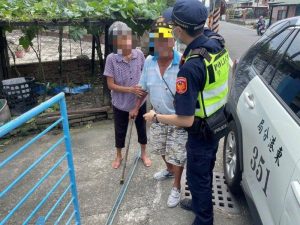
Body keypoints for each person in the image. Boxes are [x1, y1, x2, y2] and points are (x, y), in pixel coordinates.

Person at [143, 0, 230, 224]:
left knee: (197, 177)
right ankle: (200, 202)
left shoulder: (190, 67)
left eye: (172, 26)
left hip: (200, 131)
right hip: (217, 121)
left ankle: (204, 219)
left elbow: (185, 119)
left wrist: (156, 117)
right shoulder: (216, 41)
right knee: (204, 173)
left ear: (179, 30)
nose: (170, 29)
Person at [130, 16, 188, 208]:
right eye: (157, 39)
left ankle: (176, 186)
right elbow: (144, 87)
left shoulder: (183, 62)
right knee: (161, 149)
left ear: (173, 40)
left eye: (165, 39)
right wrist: (136, 107)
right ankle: (169, 170)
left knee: (177, 153)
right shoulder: (149, 61)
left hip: (178, 117)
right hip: (156, 116)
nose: (161, 44)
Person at [103, 21, 152, 169]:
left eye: (127, 38)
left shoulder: (139, 55)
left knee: (142, 129)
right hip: (120, 104)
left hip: (139, 102)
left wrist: (138, 96)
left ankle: (143, 154)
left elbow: (145, 78)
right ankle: (119, 155)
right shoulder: (111, 59)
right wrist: (130, 89)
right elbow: (110, 85)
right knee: (120, 131)